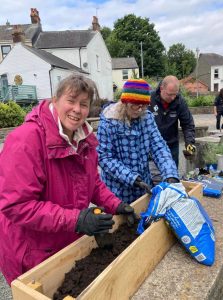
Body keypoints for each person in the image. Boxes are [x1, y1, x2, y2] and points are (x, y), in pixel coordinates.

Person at [0, 75, 134, 284]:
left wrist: (116, 205)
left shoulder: (84, 139)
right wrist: (77, 219)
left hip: (64, 240)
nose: (77, 110)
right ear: (55, 100)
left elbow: (93, 184)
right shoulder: (26, 140)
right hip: (31, 250)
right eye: (71, 101)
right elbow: (18, 206)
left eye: (84, 104)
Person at [97, 78, 179, 203]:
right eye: (135, 104)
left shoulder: (147, 118)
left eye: (144, 105)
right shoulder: (109, 121)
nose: (140, 109)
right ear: (125, 101)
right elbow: (104, 157)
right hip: (117, 192)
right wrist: (132, 178)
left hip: (143, 188)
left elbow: (159, 147)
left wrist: (170, 174)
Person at [148, 75, 196, 167]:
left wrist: (190, 145)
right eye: (170, 94)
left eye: (175, 94)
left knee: (172, 176)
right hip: (152, 146)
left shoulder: (180, 101)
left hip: (171, 145)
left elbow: (188, 125)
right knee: (153, 176)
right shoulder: (149, 99)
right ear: (162, 88)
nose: (173, 98)